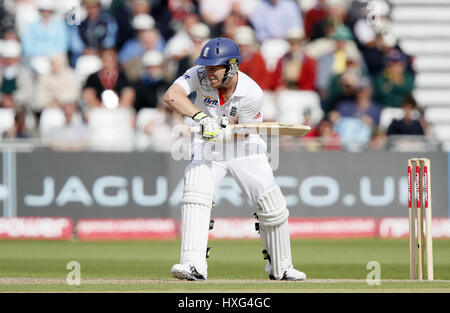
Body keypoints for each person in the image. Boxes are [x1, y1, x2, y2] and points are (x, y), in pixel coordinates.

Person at [164, 37, 306, 281]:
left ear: (232, 66)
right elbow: (172, 96)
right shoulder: (198, 74)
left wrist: (227, 130)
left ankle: (282, 268)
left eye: (215, 67)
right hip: (208, 143)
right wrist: (202, 118)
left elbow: (247, 130)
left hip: (244, 147)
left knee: (271, 205)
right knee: (195, 196)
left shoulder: (252, 93)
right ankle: (192, 266)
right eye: (206, 66)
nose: (209, 72)